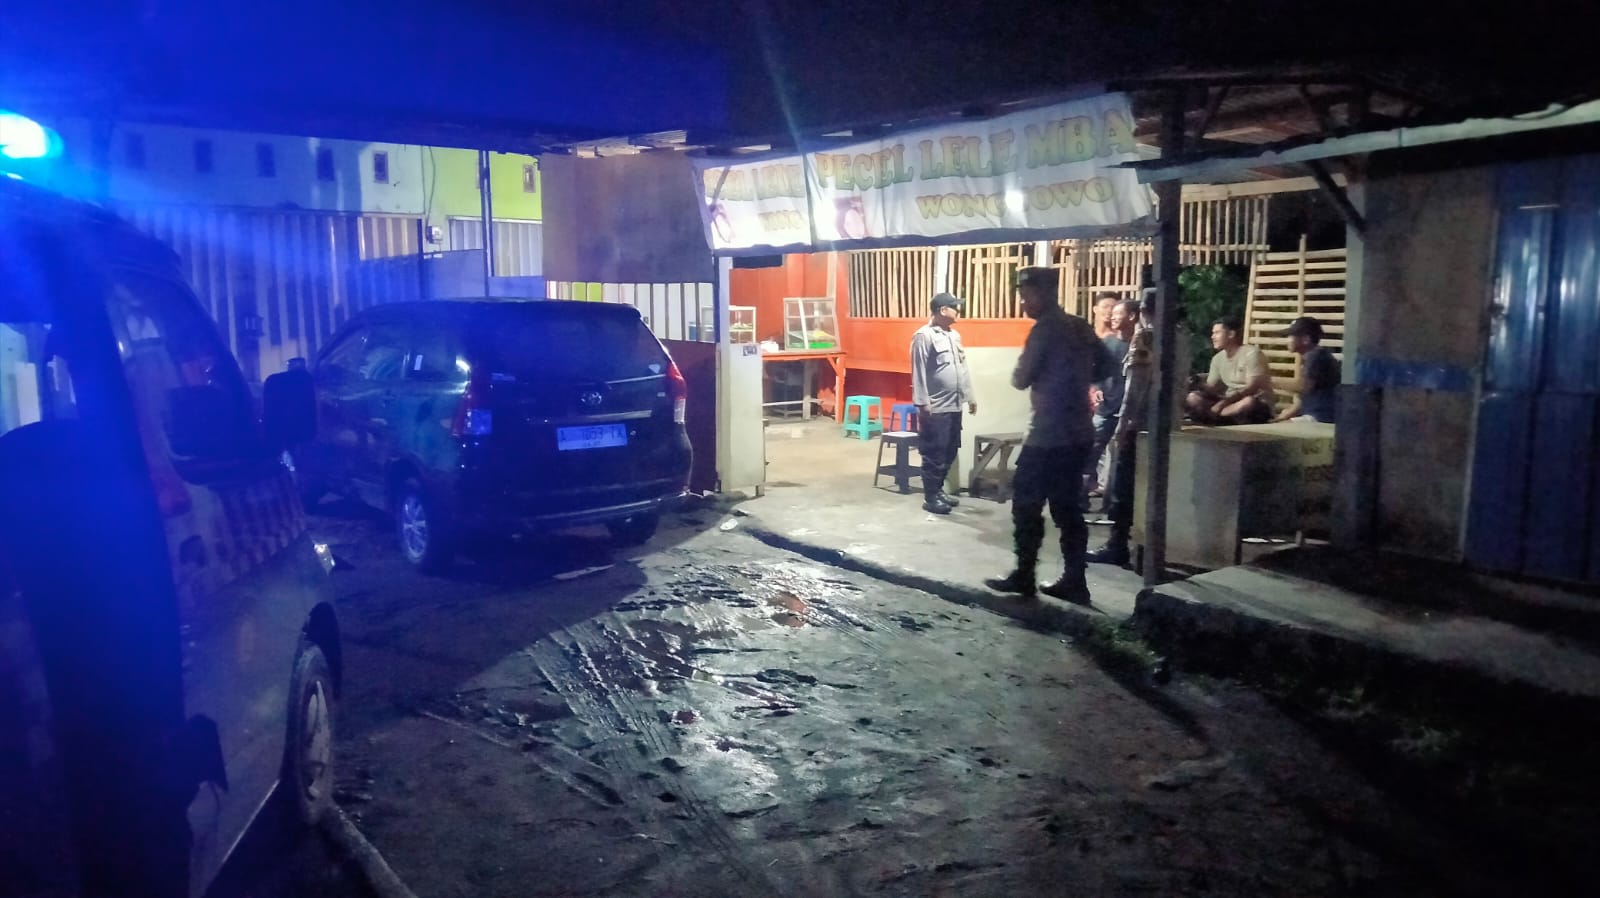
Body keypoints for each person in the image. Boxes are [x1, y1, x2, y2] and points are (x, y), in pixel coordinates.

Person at [985, 267, 1113, 603]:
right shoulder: (1080, 326)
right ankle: (1075, 580)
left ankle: (1025, 575)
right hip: (1079, 431)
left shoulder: (1044, 330)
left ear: (1044, 293)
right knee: (1067, 508)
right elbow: (1107, 365)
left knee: (1026, 504)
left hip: (1048, 434)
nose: (1023, 302)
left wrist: (1051, 379)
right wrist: (1077, 380)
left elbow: (1020, 378)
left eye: (1026, 294)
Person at [910, 293, 977, 514]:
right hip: (936, 407)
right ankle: (931, 497)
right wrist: (922, 403)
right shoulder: (924, 336)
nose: (958, 311)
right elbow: (918, 370)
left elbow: (962, 369)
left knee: (950, 450)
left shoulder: (954, 335)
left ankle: (938, 490)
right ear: (942, 310)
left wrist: (970, 397)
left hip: (954, 404)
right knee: (934, 453)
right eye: (954, 307)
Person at [1085, 298, 1136, 502]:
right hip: (1105, 408)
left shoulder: (1139, 346)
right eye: (1112, 313)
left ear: (1132, 316)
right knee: (1090, 452)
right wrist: (1096, 388)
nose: (1112, 317)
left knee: (1121, 458)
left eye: (1118, 313)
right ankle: (1081, 496)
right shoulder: (1107, 343)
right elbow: (1093, 371)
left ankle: (1112, 501)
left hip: (1129, 411)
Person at [1185, 317, 1275, 425]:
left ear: (1231, 334)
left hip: (1253, 402)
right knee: (1193, 398)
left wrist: (1223, 404)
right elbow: (1212, 388)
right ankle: (1219, 417)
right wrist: (1198, 384)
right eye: (1213, 333)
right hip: (1228, 404)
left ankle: (1214, 417)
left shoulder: (1252, 354)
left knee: (1249, 402)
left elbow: (1252, 388)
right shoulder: (1217, 358)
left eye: (1217, 333)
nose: (1213, 337)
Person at [1272, 316, 1341, 424]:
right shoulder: (1313, 357)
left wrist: (1269, 381)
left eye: (1291, 336)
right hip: (1315, 415)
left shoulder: (1316, 356)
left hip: (1322, 418)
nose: (1287, 340)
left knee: (1277, 431)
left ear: (1306, 339)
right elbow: (1303, 398)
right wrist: (1285, 416)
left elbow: (1303, 386)